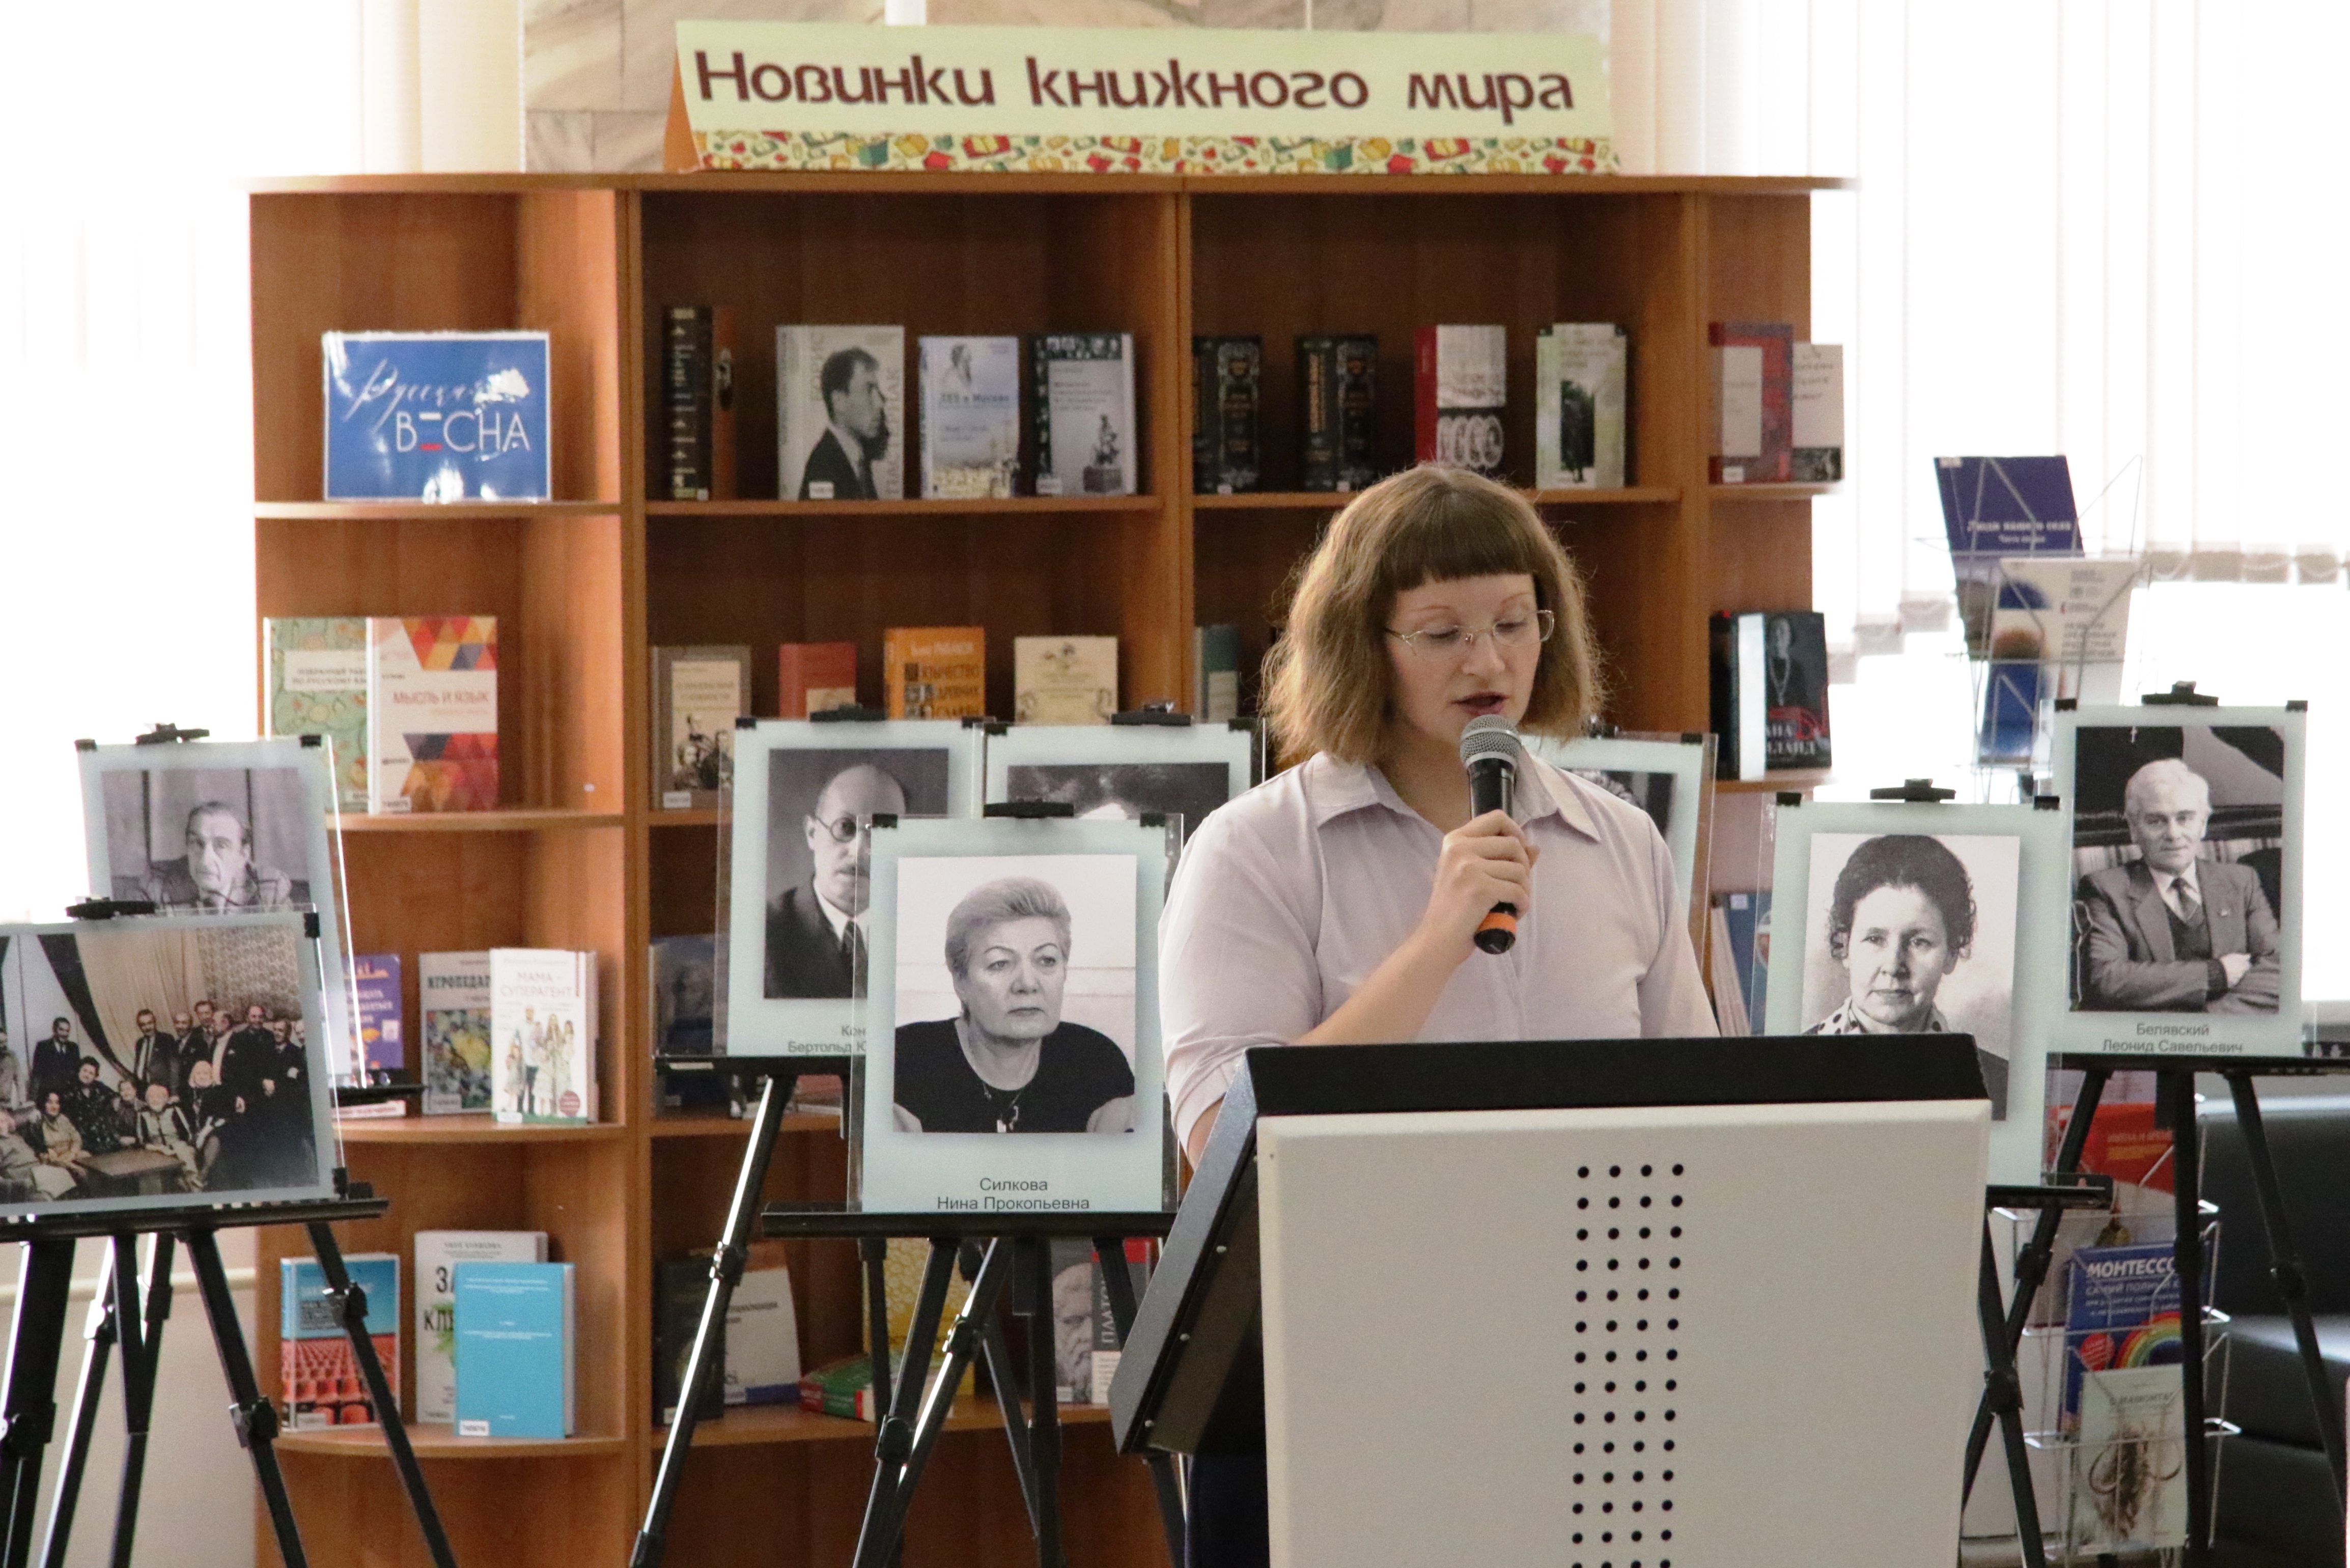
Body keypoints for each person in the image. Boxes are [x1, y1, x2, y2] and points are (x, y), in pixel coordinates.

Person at [1156, 466, 1714, 1566]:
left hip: (1583, 1359)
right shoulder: (1257, 848)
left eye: (1513, 622)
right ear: (1363, 644)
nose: (1487, 662)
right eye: (1442, 632)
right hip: (1333, 1362)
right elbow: (1222, 1141)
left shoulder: (1620, 843)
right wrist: (1435, 942)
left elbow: (1699, 1111)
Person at [891, 877, 1136, 1134]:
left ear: (1065, 971)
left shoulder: (1097, 1063)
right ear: (960, 981)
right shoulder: (903, 1060)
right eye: (1000, 964)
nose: (1027, 984)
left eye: (1047, 960)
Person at [2078, 757, 2281, 1013]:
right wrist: (2215, 974)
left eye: (2184, 818)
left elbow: (2279, 969)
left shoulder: (2241, 881)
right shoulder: (2106, 889)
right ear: (2133, 828)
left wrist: (2206, 1023)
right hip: (2147, 1037)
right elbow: (2108, 979)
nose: (2173, 835)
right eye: (2156, 821)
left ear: (2203, 825)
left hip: (2227, 1030)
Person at [1805, 835, 1976, 1035]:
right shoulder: (1790, 1055)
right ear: (1844, 945)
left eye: (1919, 942)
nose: (1893, 967)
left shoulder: (1979, 1058)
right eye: (1875, 940)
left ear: (1951, 953)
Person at [766, 763, 907, 999]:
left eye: (882, 831)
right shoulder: (762, 934)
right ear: (812, 833)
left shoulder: (921, 933)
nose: (859, 851)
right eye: (845, 827)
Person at [137, 800, 298, 910]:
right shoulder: (156, 883)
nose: (205, 860)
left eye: (221, 845)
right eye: (197, 843)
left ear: (243, 855)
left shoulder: (270, 888)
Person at [797, 346, 888, 501]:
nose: (880, 403)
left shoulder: (858, 459)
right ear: (839, 401)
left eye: (877, 391)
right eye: (868, 391)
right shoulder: (822, 467)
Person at [0, 1110, 71, 1200]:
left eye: (2, 1122)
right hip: (21, 1173)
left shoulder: (16, 1138)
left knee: (63, 1174)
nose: (0, 1126)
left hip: (36, 1168)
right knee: (56, 1177)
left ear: (8, 1124)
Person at [34, 1093, 89, 1190]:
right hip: (55, 1162)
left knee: (89, 1159)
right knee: (81, 1172)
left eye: (57, 1103)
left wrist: (73, 1152)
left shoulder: (63, 1119)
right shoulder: (39, 1124)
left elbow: (76, 1138)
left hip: (71, 1155)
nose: (54, 1107)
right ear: (43, 1104)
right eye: (50, 1103)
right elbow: (47, 1156)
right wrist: (70, 1164)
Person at [31, 1018, 79, 1110]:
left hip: (68, 1099)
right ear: (54, 1030)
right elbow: (37, 1074)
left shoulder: (74, 1048)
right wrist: (34, 1099)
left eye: (67, 1031)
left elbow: (77, 1073)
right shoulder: (43, 1046)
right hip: (47, 1097)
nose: (64, 1034)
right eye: (61, 1030)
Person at [127, 1010, 176, 1089]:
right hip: (142, 1089)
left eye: (150, 1023)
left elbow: (174, 1068)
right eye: (143, 1025)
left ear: (155, 1023)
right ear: (139, 1027)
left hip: (162, 1089)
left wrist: (174, 1092)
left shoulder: (166, 1039)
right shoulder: (140, 1043)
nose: (147, 1028)